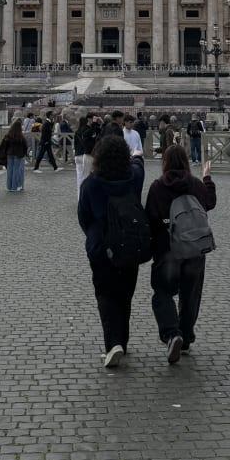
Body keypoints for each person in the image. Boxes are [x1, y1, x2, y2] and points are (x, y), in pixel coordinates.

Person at [77, 134, 146, 368]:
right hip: (130, 244)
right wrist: (136, 157)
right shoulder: (133, 178)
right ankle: (122, 343)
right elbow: (139, 166)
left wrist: (94, 235)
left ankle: (113, 344)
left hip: (102, 248)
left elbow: (83, 217)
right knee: (125, 296)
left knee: (106, 295)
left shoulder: (91, 184)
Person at [145, 145, 217, 362]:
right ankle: (185, 337)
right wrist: (207, 178)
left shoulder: (158, 187)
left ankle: (171, 333)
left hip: (168, 249)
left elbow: (151, 218)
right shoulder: (194, 184)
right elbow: (210, 203)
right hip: (194, 247)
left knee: (163, 293)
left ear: (165, 162)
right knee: (190, 294)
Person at [0, 117, 28, 192]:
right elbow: (25, 146)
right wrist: (25, 153)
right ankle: (15, 187)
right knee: (16, 170)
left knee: (10, 170)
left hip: (9, 154)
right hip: (18, 155)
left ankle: (9, 186)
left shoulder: (8, 135)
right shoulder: (21, 136)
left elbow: (3, 145)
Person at [74, 113, 93, 198]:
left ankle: (79, 197)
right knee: (86, 177)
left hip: (77, 155)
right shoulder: (85, 130)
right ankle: (84, 197)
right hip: (84, 155)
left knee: (79, 178)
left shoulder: (77, 132)